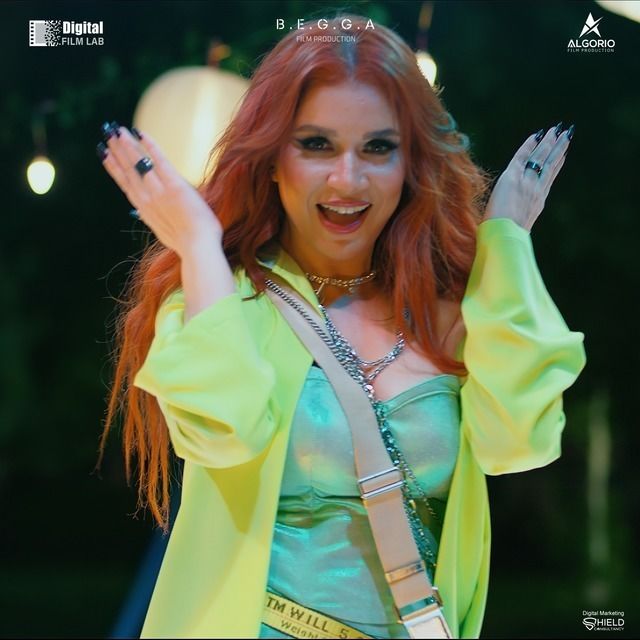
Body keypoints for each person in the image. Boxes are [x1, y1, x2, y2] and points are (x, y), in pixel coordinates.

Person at [96, 14, 586, 640]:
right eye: (316, 145)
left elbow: (519, 443)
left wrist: (506, 240)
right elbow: (224, 434)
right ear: (272, 159)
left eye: (377, 148)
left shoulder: (448, 314)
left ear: (411, 163)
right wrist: (198, 246)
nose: (347, 179)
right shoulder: (223, 300)